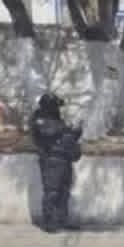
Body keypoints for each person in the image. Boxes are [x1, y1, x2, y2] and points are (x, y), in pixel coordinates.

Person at [29, 93, 82, 233]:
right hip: (50, 159)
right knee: (52, 192)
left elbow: (64, 134)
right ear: (49, 105)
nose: (58, 109)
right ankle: (49, 222)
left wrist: (76, 132)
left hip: (64, 158)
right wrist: (65, 129)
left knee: (64, 191)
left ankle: (62, 220)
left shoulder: (56, 119)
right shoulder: (39, 118)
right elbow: (49, 132)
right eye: (56, 105)